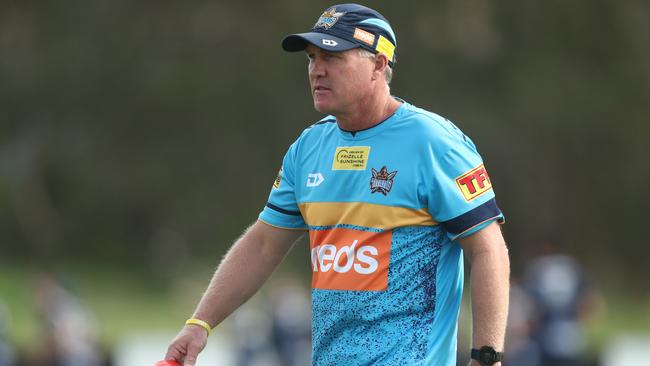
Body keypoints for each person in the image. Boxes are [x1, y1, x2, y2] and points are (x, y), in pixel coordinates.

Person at [165, 4, 510, 366]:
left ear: (379, 64)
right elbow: (264, 244)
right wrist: (200, 323)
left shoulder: (433, 142)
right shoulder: (308, 149)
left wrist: (486, 357)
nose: (317, 70)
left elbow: (489, 250)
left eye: (331, 56)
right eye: (312, 58)